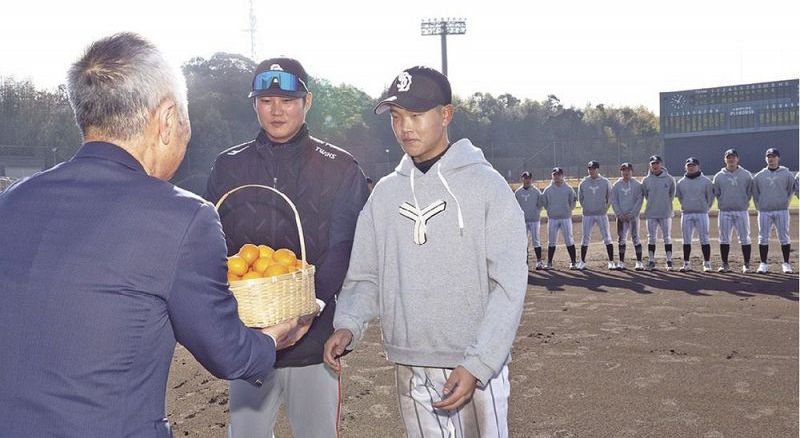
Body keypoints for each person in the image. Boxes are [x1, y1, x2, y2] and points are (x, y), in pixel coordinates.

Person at [0, 32, 313, 437]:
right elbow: (230, 354)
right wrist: (276, 338)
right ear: (167, 119)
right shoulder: (181, 217)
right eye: (185, 119)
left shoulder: (14, 200)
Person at [323, 66, 527, 438]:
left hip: (474, 362)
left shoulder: (487, 186)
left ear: (445, 115)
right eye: (397, 117)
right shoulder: (385, 194)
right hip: (410, 360)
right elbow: (367, 272)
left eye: (416, 115)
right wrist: (349, 323)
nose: (405, 128)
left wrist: (479, 363)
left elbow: (509, 284)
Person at [204, 57, 369, 437]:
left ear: (307, 102)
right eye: (266, 100)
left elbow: (343, 247)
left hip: (313, 342)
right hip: (250, 338)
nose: (276, 110)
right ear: (254, 105)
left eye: (287, 100)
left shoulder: (340, 166)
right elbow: (215, 247)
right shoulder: (228, 166)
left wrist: (307, 312)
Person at [752, 148, 795, 274]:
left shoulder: (787, 174)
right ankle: (763, 263)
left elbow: (790, 190)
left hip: (781, 210)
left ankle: (786, 263)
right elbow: (756, 193)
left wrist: (785, 202)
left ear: (778, 158)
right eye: (769, 156)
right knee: (763, 237)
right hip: (765, 211)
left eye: (774, 156)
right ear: (766, 158)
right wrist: (759, 207)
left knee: (784, 237)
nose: (771, 159)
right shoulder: (759, 176)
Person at [712, 148, 754, 273]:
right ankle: (725, 264)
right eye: (728, 157)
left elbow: (749, 192)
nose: (731, 159)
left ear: (737, 159)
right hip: (725, 211)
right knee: (724, 238)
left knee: (745, 238)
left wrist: (742, 202)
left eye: (733, 157)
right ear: (725, 159)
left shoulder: (746, 175)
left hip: (741, 211)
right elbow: (717, 193)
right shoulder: (719, 176)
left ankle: (746, 264)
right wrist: (725, 202)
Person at [675, 157, 715, 272]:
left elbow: (710, 198)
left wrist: (704, 208)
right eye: (689, 165)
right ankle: (686, 263)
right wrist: (687, 206)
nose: (691, 167)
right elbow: (680, 198)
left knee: (704, 239)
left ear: (698, 167)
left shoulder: (706, 181)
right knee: (686, 239)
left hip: (701, 213)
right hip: (686, 214)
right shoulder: (681, 182)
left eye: (693, 165)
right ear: (685, 167)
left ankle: (707, 263)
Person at [577, 160, 615, 270]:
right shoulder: (583, 183)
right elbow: (580, 198)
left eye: (594, 168)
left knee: (607, 237)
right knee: (585, 238)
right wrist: (586, 207)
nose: (591, 170)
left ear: (598, 169)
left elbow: (610, 197)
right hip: (588, 214)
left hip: (601, 214)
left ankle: (611, 261)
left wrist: (604, 208)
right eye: (590, 168)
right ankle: (582, 261)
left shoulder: (605, 182)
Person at [642, 155, 676, 271]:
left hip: (665, 212)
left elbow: (671, 194)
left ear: (661, 164)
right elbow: (646, 195)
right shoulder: (646, 180)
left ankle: (669, 261)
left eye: (657, 163)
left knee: (667, 237)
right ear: (650, 166)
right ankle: (651, 261)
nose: (655, 166)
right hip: (651, 212)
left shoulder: (669, 179)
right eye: (652, 164)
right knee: (651, 238)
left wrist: (664, 204)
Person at [542, 167, 579, 269]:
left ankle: (573, 262)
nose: (556, 176)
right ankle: (549, 263)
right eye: (554, 175)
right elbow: (545, 203)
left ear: (562, 176)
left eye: (558, 174)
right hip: (552, 218)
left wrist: (567, 210)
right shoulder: (548, 190)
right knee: (552, 241)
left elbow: (573, 202)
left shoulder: (568, 189)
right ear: (552, 176)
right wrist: (551, 210)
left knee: (569, 240)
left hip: (565, 218)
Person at [610, 162, 645, 270]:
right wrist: (619, 214)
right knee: (621, 238)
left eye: (628, 170)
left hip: (633, 217)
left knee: (635, 238)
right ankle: (621, 262)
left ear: (632, 171)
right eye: (624, 170)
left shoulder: (637, 185)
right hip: (621, 217)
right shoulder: (616, 185)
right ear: (621, 171)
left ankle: (639, 262)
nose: (626, 172)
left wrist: (632, 213)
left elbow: (639, 200)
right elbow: (614, 201)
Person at [515, 170, 544, 269]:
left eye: (528, 178)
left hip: (534, 220)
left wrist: (535, 213)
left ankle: (539, 262)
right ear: (522, 179)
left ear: (531, 179)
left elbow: (540, 205)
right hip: (523, 221)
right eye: (525, 178)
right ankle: (524, 262)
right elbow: (516, 207)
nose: (527, 180)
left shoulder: (536, 192)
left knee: (536, 240)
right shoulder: (518, 193)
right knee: (523, 241)